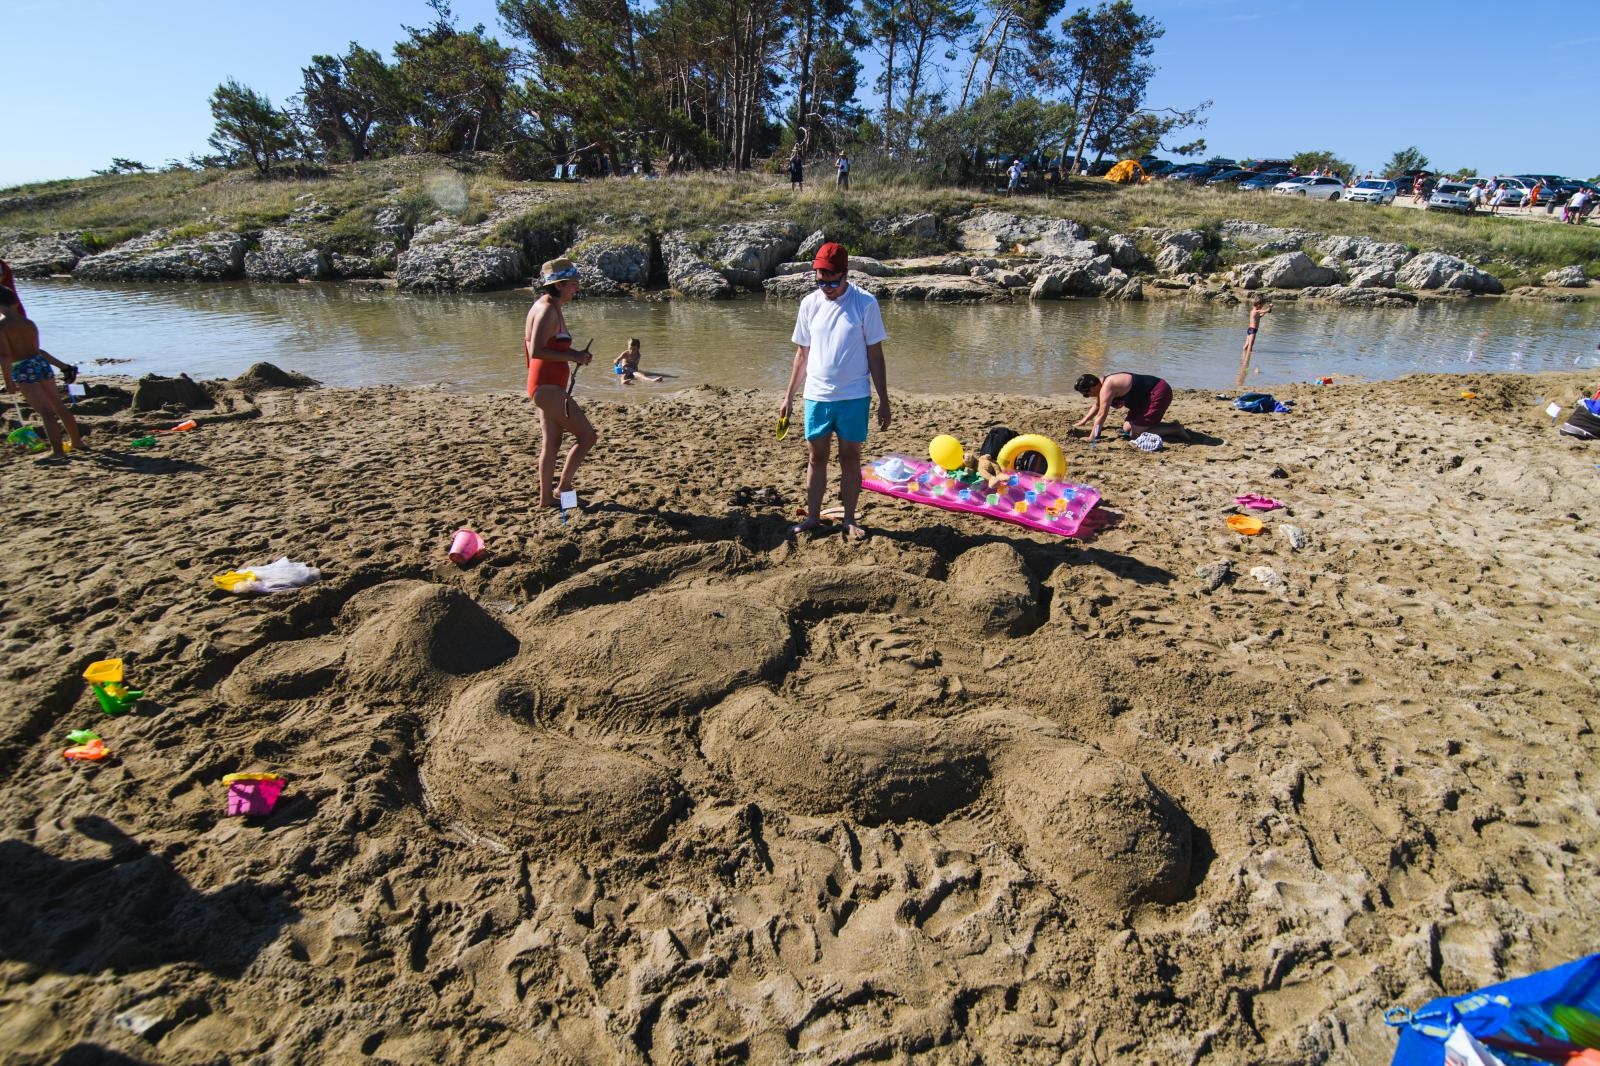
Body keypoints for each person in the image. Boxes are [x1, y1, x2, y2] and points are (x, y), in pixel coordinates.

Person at [780, 242, 890, 543]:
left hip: (854, 396)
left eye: (832, 280)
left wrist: (883, 398)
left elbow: (875, 355)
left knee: (850, 458)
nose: (826, 286)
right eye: (820, 280)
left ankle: (850, 519)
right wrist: (789, 396)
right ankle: (813, 517)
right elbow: (802, 355)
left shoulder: (864, 303)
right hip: (817, 395)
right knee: (816, 457)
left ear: (846, 275)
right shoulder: (809, 304)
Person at [523, 259, 597, 511]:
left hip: (545, 386)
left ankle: (546, 499)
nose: (577, 288)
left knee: (552, 443)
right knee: (587, 436)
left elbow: (546, 347)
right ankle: (563, 487)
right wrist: (573, 356)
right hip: (547, 387)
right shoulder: (547, 310)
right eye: (573, 284)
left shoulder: (549, 306)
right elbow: (536, 351)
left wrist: (575, 354)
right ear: (559, 285)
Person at [0, 286, 87, 462]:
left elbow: (5, 355)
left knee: (45, 411)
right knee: (58, 405)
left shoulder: (2, 325)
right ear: (16, 303)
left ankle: (57, 452)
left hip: (22, 367)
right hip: (40, 364)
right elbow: (37, 350)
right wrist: (61, 366)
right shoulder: (29, 323)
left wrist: (8, 381)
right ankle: (77, 442)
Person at [1073, 371, 1184, 442]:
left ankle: (1174, 429)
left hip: (1158, 392)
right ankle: (1168, 426)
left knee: (1136, 434)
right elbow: (1097, 405)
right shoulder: (1101, 383)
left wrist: (1092, 437)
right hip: (1143, 399)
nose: (1086, 396)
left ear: (1093, 387)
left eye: (1086, 394)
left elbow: (1102, 415)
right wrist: (1082, 422)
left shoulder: (1107, 387)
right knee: (1127, 428)